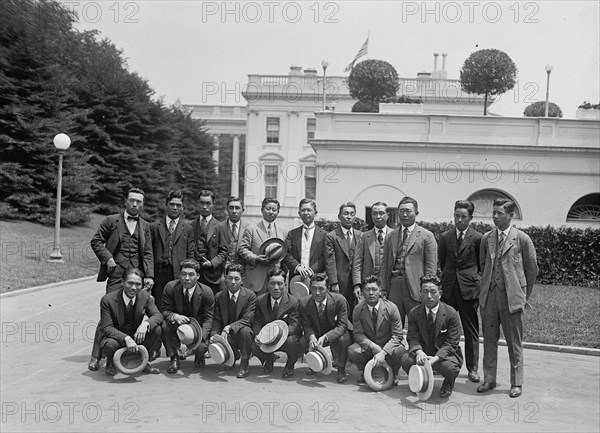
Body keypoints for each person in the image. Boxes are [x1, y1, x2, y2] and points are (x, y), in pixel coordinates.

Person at [477, 198, 539, 398]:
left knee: (514, 342)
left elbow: (531, 270)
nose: (495, 216)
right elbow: (482, 264)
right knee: (489, 340)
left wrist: (522, 295)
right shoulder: (487, 238)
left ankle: (516, 382)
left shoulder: (522, 239)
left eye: (500, 213)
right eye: (493, 212)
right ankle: (489, 379)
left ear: (511, 215)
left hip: (512, 297)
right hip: (489, 297)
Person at [88, 187, 154, 371]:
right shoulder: (111, 221)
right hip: (117, 274)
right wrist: (108, 257)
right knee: (108, 315)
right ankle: (96, 356)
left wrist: (149, 276)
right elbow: (96, 241)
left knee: (137, 314)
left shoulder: (145, 226)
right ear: (126, 201)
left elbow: (148, 252)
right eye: (132, 200)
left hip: (137, 277)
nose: (135, 204)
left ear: (143, 204)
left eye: (139, 201)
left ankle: (137, 354)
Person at [438, 200, 482, 383]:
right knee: (444, 327)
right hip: (449, 289)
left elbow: (481, 264)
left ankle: (472, 368)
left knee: (470, 330)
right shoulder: (445, 236)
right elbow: (442, 261)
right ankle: (443, 361)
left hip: (469, 290)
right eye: (457, 216)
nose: (460, 220)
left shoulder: (478, 238)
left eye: (464, 217)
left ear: (470, 218)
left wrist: (474, 280)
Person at [400, 275, 463, 399]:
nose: (429, 296)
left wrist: (436, 358)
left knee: (450, 368)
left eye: (433, 292)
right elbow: (412, 337)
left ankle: (448, 384)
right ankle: (419, 380)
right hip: (422, 353)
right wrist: (419, 352)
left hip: (443, 355)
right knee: (405, 360)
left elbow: (452, 343)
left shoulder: (451, 314)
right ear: (420, 294)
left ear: (440, 294)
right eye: (425, 292)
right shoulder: (414, 313)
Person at [380, 196, 437, 328]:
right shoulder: (390, 236)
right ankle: (395, 348)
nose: (404, 214)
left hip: (415, 286)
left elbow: (431, 266)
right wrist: (383, 287)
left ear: (416, 213)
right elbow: (385, 265)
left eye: (408, 211)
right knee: (393, 324)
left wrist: (427, 289)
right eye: (401, 211)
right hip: (394, 285)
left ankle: (416, 348)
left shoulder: (426, 236)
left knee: (418, 324)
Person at [98, 267, 163, 376]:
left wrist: (145, 324)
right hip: (116, 338)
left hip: (136, 336)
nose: (133, 288)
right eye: (130, 283)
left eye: (138, 284)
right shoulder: (108, 300)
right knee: (109, 344)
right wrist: (125, 338)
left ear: (142, 285)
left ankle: (143, 360)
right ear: (122, 282)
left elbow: (158, 315)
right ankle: (110, 361)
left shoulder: (145, 296)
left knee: (156, 329)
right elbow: (106, 328)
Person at [349, 274, 406, 384]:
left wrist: (383, 352)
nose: (371, 293)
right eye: (367, 290)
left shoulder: (392, 308)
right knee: (353, 350)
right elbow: (358, 334)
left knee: (400, 350)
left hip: (388, 346)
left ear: (380, 290)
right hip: (370, 346)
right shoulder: (358, 309)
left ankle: (393, 372)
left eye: (374, 289)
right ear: (362, 292)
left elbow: (397, 335)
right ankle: (366, 370)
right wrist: (372, 345)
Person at [161, 259, 215, 373]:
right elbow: (164, 310)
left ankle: (199, 356)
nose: (187, 278)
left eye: (191, 274)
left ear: (198, 276)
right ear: (179, 274)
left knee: (201, 347)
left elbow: (208, 319)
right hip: (178, 324)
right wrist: (174, 316)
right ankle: (174, 358)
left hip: (198, 327)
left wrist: (199, 338)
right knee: (165, 325)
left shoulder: (207, 292)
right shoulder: (170, 287)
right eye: (184, 274)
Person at [298, 273, 352, 384]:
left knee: (345, 339)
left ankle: (341, 368)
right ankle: (315, 364)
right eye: (314, 288)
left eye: (321, 289)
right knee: (303, 341)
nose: (317, 293)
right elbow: (306, 325)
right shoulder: (304, 303)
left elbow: (343, 325)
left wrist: (326, 337)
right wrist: (312, 337)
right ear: (310, 288)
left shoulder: (339, 300)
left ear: (327, 288)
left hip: (334, 335)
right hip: (316, 334)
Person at [251, 268, 302, 378]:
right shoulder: (260, 300)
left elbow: (295, 326)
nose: (276, 288)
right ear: (267, 284)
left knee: (294, 342)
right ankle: (268, 359)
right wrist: (258, 335)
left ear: (285, 285)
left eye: (279, 284)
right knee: (254, 344)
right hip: (266, 337)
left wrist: (279, 334)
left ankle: (290, 364)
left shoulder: (293, 302)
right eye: (272, 283)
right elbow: (257, 321)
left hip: (285, 337)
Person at [150, 190, 195, 311]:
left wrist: (188, 274)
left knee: (177, 306)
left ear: (182, 208)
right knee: (158, 306)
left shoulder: (188, 228)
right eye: (172, 204)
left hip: (178, 274)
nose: (175, 208)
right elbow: (148, 253)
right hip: (159, 274)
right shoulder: (154, 227)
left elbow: (190, 254)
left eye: (178, 205)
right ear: (166, 205)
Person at [211, 264, 256, 378]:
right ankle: (231, 359)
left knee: (246, 331)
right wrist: (214, 335)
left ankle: (244, 364)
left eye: (237, 279)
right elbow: (217, 319)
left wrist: (229, 327)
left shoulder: (250, 295)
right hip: (227, 335)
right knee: (217, 339)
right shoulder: (219, 296)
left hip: (241, 332)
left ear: (242, 280)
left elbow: (248, 319)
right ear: (225, 279)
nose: (233, 282)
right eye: (230, 278)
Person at [238, 197, 289, 294]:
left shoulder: (284, 232)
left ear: (278, 212)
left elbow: (286, 255)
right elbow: (242, 249)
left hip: (276, 279)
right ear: (262, 210)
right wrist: (256, 258)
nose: (271, 212)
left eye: (274, 210)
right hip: (255, 277)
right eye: (268, 208)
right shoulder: (251, 229)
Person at [325, 202, 363, 317]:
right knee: (339, 312)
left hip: (355, 282)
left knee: (355, 312)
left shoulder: (361, 235)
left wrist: (358, 283)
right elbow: (329, 261)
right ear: (339, 216)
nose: (349, 216)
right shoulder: (332, 236)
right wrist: (334, 282)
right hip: (339, 282)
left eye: (352, 214)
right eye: (346, 213)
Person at [192, 189, 227, 294]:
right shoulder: (190, 226)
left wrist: (212, 264)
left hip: (213, 278)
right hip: (194, 276)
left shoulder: (220, 227)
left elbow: (224, 252)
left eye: (208, 203)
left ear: (213, 205)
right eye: (202, 203)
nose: (204, 206)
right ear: (198, 203)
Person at [283, 198, 327, 281]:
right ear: (299, 213)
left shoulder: (324, 235)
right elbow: (286, 253)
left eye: (309, 210)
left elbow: (325, 256)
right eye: (303, 210)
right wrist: (297, 267)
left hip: (316, 279)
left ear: (315, 213)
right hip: (296, 278)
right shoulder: (292, 234)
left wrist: (312, 270)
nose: (306, 213)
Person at [352, 202, 390, 295]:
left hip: (389, 286)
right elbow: (357, 262)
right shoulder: (364, 237)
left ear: (387, 215)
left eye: (381, 213)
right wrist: (357, 284)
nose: (378, 216)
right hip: (368, 286)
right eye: (375, 213)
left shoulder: (395, 235)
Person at [218, 196, 249, 270]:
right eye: (231, 208)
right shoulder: (219, 227)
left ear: (243, 210)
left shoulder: (249, 229)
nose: (234, 211)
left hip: (242, 270)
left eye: (237, 208)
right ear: (227, 210)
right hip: (222, 270)